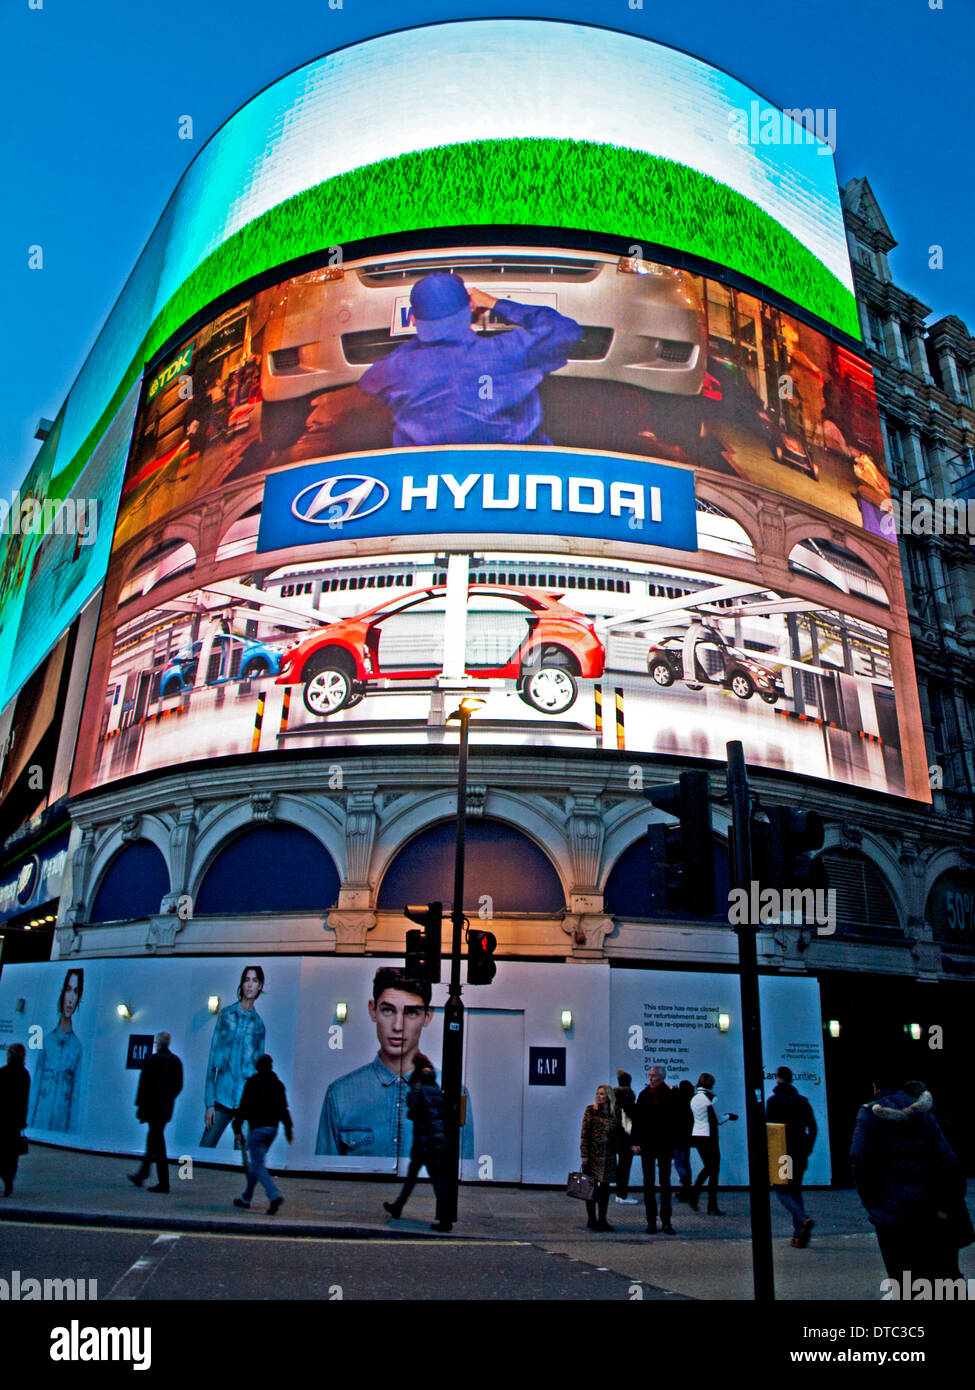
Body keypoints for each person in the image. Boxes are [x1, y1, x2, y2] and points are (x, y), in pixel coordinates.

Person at [358, 270, 582, 446]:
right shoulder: (508, 352)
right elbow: (565, 330)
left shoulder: (395, 369)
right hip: (510, 467)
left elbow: (365, 390)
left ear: (414, 319)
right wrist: (496, 304)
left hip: (426, 474)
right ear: (472, 306)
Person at [316, 967, 473, 1160]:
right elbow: (326, 1175)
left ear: (427, 1016)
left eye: (412, 1013)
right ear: (373, 1011)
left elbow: (461, 1174)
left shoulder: (453, 1092)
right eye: (388, 1010)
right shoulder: (339, 1094)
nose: (398, 1026)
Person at [852, 1071, 966, 1285]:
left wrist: (872, 1203)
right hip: (928, 1208)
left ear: (875, 1086)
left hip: (890, 1213)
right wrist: (945, 1204)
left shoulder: (868, 1113)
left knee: (902, 1279)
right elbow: (948, 1161)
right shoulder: (924, 1111)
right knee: (935, 1279)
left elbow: (859, 1158)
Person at [201, 965, 266, 1167]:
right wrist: (209, 1103)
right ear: (242, 983)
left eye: (255, 980)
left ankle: (242, 1197)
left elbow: (258, 1072)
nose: (250, 984)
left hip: (245, 1102)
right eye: (247, 979)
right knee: (204, 1150)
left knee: (245, 1160)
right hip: (221, 1097)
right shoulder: (226, 1015)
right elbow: (213, 1060)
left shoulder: (259, 1025)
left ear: (260, 986)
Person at [383, 1053, 452, 1232]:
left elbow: (413, 1112)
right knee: (417, 1178)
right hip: (433, 1141)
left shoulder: (419, 1086)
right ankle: (398, 1207)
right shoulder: (434, 1085)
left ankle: (445, 1220)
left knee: (432, 1181)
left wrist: (411, 1096)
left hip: (424, 1142)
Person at [232, 1054, 293, 1215]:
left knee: (258, 1166)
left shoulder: (252, 1083)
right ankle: (246, 1198)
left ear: (258, 1066)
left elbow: (243, 1107)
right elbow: (283, 1110)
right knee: (256, 1165)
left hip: (257, 1129)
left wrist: (237, 1129)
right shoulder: (278, 1085)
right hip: (272, 1130)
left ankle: (274, 1195)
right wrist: (288, 1129)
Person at [766, 1065, 818, 1247]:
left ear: (778, 1079)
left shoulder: (772, 1102)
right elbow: (813, 1127)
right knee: (796, 1190)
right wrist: (808, 1148)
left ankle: (803, 1220)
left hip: (781, 1151)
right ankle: (799, 1235)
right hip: (799, 1151)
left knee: (781, 1190)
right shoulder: (802, 1101)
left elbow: (769, 1129)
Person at [30, 968, 84, 1133]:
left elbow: (75, 1097)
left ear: (78, 998)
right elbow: (36, 1085)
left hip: (61, 1126)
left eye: (75, 992)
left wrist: (72, 1132)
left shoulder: (77, 1047)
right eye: (68, 990)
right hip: (40, 1121)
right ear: (62, 993)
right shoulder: (47, 1041)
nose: (70, 999)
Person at [128, 1032, 184, 1193]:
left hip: (152, 1108)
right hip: (165, 1108)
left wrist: (140, 1106)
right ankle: (142, 1174)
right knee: (153, 1138)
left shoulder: (152, 1060)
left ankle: (163, 1182)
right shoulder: (176, 1062)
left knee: (157, 1143)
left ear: (158, 1043)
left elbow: (143, 1084)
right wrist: (169, 1099)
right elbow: (178, 1085)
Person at [631, 1065, 681, 1234]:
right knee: (649, 1183)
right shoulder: (644, 1095)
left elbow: (676, 1120)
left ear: (662, 1078)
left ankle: (666, 1221)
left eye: (654, 1076)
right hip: (648, 1144)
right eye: (650, 1075)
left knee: (665, 1183)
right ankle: (651, 1221)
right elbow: (637, 1121)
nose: (651, 1079)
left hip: (664, 1144)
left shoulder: (671, 1095)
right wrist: (635, 1142)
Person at [688, 1072, 738, 1215]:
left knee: (709, 1167)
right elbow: (717, 1120)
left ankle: (699, 1196)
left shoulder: (694, 1098)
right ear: (711, 1084)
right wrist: (729, 1116)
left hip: (697, 1134)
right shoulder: (711, 1099)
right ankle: (706, 1200)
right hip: (709, 1136)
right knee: (713, 1169)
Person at [580, 1084, 622, 1233]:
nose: (599, 1096)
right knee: (591, 1187)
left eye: (602, 1094)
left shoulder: (614, 1112)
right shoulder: (591, 1110)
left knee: (605, 1188)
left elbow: (619, 1132)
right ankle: (592, 1218)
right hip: (593, 1154)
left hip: (608, 1155)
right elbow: (585, 1133)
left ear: (608, 1096)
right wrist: (584, 1154)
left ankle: (602, 1218)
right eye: (598, 1093)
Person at [0, 1043, 30, 1197]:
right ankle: (8, 1180)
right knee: (12, 1154)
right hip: (15, 1120)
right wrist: (23, 1119)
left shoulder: (3, 1073)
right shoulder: (24, 1074)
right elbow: (24, 1100)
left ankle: (5, 1178)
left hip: (2, 1119)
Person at [613, 1069, 638, 1204]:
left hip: (615, 1136)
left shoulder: (614, 1098)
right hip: (625, 1137)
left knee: (620, 1165)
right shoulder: (628, 1098)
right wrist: (631, 1141)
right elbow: (628, 1121)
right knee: (625, 1165)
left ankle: (619, 1192)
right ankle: (622, 1194)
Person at [672, 1079, 695, 1202]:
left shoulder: (678, 1101)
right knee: (686, 1162)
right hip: (687, 1136)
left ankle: (686, 1187)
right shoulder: (690, 1101)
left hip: (678, 1137)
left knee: (679, 1164)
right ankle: (687, 1187)